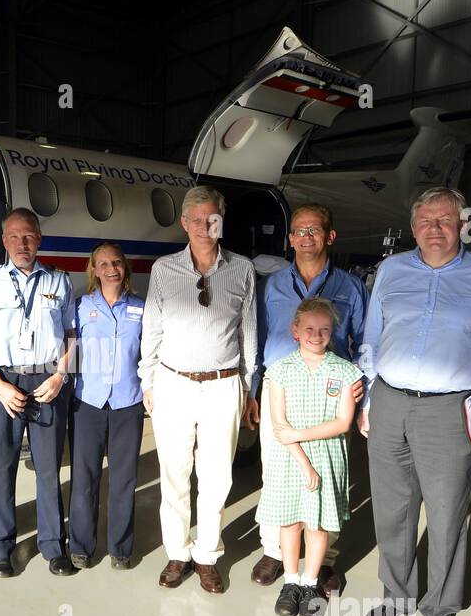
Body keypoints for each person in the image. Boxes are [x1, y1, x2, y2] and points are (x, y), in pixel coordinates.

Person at [358, 186, 471, 616]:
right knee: (392, 506)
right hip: (388, 401)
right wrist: (369, 398)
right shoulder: (390, 270)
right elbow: (371, 335)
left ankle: (440, 609)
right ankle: (396, 593)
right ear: (413, 228)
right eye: (426, 221)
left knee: (447, 512)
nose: (435, 229)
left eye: (445, 220)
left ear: (464, 225)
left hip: (450, 409)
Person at [139, 186, 257, 593]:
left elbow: (249, 335)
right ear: (184, 223)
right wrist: (147, 380)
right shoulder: (163, 270)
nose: (205, 227)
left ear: (221, 221)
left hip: (223, 386)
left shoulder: (242, 269)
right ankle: (177, 552)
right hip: (173, 383)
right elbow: (151, 329)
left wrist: (247, 387)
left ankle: (207, 553)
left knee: (218, 476)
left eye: (213, 219)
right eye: (197, 219)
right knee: (173, 473)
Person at [248, 204, 367, 593]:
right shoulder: (272, 286)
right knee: (277, 470)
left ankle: (324, 559)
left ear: (329, 237)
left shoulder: (350, 287)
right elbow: (259, 340)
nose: (305, 237)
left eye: (314, 230)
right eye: (298, 231)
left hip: (332, 395)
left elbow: (365, 342)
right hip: (281, 390)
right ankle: (276, 551)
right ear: (290, 239)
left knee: (329, 478)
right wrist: (253, 391)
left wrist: (365, 393)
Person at [0, 208, 76, 577]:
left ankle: (52, 546)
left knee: (48, 470)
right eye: (13, 236)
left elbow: (72, 335)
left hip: (47, 382)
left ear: (39, 238)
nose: (21, 243)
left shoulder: (59, 281)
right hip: (3, 383)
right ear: (3, 241)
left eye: (28, 236)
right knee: (1, 468)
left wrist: (61, 376)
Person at [257, 298, 363, 616]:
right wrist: (303, 462)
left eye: (325, 330)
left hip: (328, 457)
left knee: (318, 524)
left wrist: (299, 436)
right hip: (290, 459)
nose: (316, 335)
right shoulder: (279, 371)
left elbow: (343, 423)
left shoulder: (345, 372)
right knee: (291, 520)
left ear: (334, 332)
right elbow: (279, 425)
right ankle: (290, 582)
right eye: (309, 329)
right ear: (295, 331)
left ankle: (309, 582)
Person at [68, 243, 145, 571]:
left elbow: (150, 352)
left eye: (116, 262)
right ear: (94, 270)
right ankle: (81, 545)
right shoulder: (80, 307)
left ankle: (120, 548)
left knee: (124, 478)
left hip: (128, 402)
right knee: (84, 477)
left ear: (124, 268)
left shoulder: (142, 308)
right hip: (88, 403)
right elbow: (69, 352)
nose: (111, 268)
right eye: (104, 263)